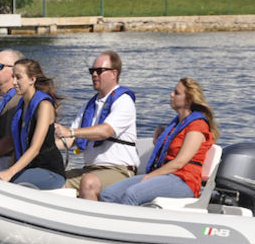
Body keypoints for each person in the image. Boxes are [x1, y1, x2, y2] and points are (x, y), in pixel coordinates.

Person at [100, 78, 219, 206]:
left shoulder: (198, 126)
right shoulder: (178, 124)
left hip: (185, 181)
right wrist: (161, 132)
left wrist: (150, 176)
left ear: (188, 100)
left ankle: (127, 225)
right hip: (167, 176)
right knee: (108, 194)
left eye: (176, 93)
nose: (171, 94)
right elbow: (172, 145)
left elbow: (179, 162)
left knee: (132, 194)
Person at [54, 50, 139, 200]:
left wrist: (72, 132)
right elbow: (69, 140)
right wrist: (41, 148)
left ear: (114, 73)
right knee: (54, 180)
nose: (94, 75)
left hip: (119, 171)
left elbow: (105, 131)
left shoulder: (124, 101)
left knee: (89, 182)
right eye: (92, 71)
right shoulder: (89, 105)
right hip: (90, 170)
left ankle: (91, 222)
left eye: (99, 71)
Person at [0, 58, 66, 190]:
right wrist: (9, 168)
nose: (14, 82)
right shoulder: (21, 106)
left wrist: (10, 172)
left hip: (50, 172)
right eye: (13, 77)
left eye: (19, 77)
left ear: (32, 79)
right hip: (30, 169)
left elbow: (35, 148)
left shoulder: (44, 106)